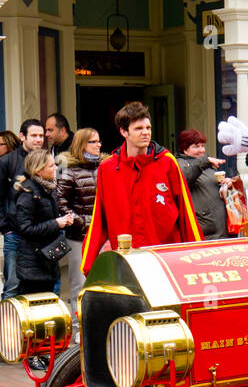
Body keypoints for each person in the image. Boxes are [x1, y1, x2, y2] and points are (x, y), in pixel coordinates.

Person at [81, 102, 201, 272]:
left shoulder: (167, 163)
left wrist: (197, 256)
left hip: (166, 261)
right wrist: (88, 265)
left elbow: (186, 214)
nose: (146, 132)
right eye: (138, 128)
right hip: (127, 263)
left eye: (148, 127)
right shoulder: (107, 169)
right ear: (124, 132)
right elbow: (99, 220)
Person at [0, 119, 45, 299]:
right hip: (15, 233)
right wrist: (4, 228)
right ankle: (7, 327)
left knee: (44, 286)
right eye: (34, 135)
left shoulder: (48, 161)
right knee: (13, 285)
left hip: (42, 233)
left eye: (41, 136)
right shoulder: (7, 162)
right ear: (22, 136)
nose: (38, 139)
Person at [13, 149, 75, 296]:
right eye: (51, 166)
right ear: (39, 171)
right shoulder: (28, 194)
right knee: (34, 304)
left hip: (47, 258)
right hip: (33, 264)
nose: (55, 169)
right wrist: (56, 223)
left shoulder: (48, 189)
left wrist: (64, 219)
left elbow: (48, 216)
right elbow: (25, 228)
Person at [55, 127, 101, 307]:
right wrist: (83, 222)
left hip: (102, 237)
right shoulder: (69, 172)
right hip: (79, 237)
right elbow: (61, 204)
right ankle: (78, 328)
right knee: (79, 284)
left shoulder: (105, 168)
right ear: (82, 144)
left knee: (102, 284)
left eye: (99, 141)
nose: (98, 145)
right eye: (93, 141)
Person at [175, 129, 228, 240]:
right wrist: (205, 161)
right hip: (204, 232)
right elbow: (186, 177)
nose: (201, 150)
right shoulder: (180, 164)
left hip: (220, 230)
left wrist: (227, 184)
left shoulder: (206, 164)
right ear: (185, 149)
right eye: (196, 146)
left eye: (202, 146)